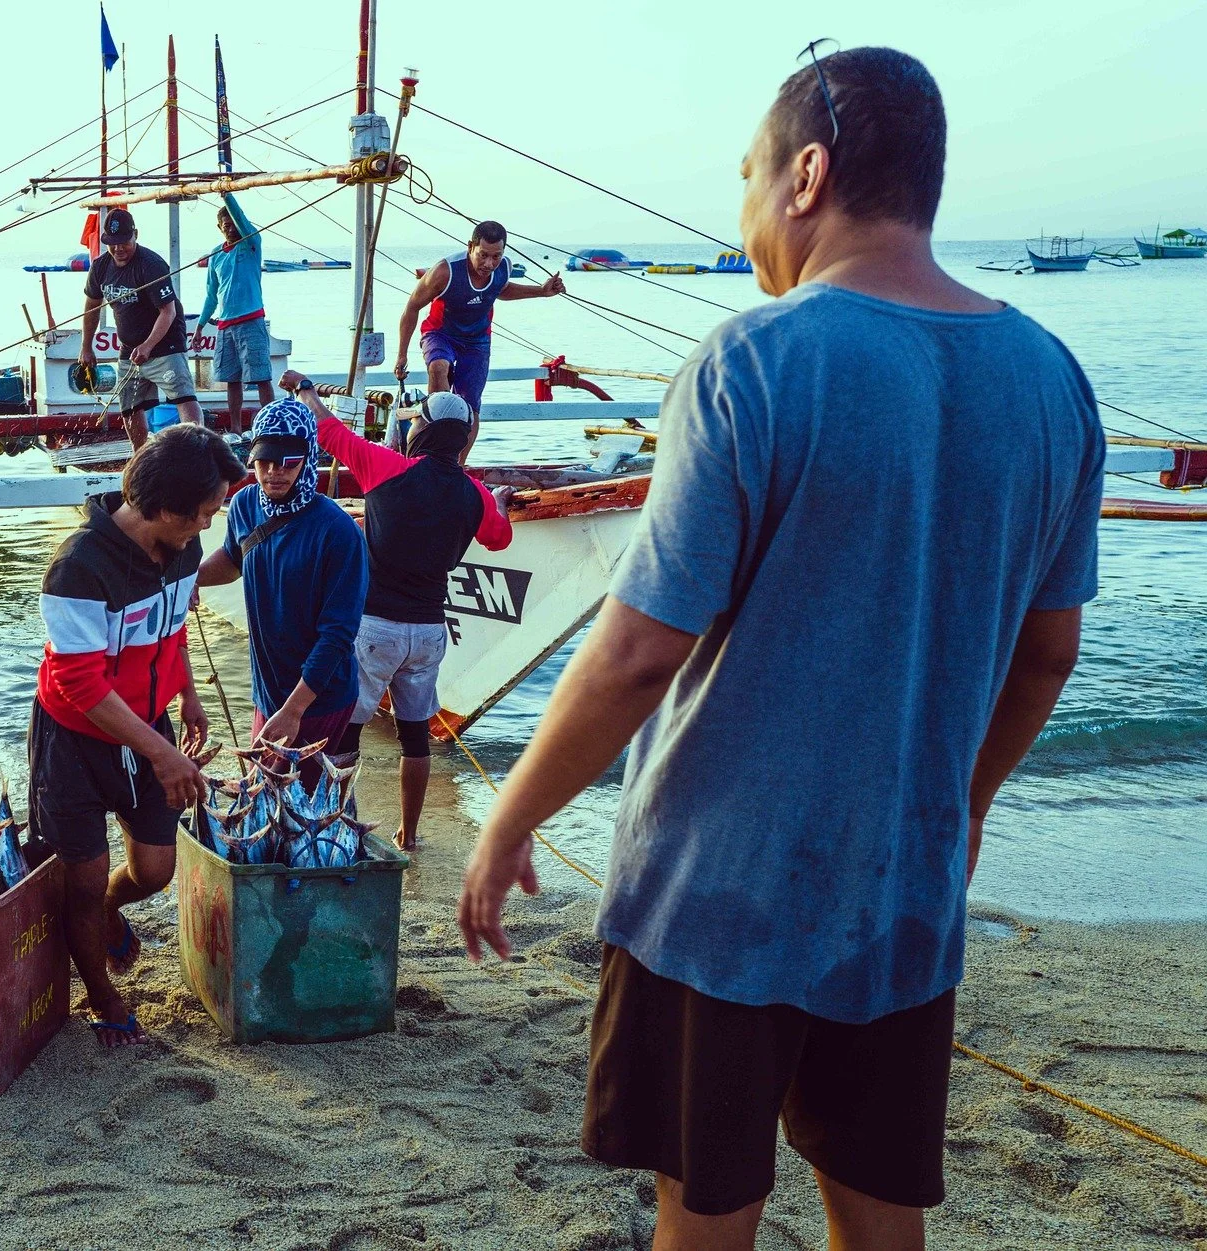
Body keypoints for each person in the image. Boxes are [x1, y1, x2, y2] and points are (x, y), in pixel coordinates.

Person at [456, 48, 1103, 1251]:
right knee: (877, 1198)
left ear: (807, 175)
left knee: (709, 1203)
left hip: (718, 896)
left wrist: (510, 818)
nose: (747, 208)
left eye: (750, 176)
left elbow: (638, 652)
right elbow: (1046, 657)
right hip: (903, 888)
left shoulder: (754, 360)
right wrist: (963, 807)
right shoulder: (1051, 381)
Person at [31, 424, 242, 1048]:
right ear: (166, 508)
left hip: (150, 729)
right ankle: (102, 994)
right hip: (73, 738)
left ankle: (105, 911)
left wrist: (189, 694)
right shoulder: (77, 568)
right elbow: (80, 684)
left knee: (153, 869)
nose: (207, 526)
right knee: (82, 878)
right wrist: (164, 755)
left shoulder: (181, 551)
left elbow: (172, 631)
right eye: (204, 513)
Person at [280, 374, 513, 850]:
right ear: (462, 437)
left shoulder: (386, 467)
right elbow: (499, 538)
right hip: (429, 632)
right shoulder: (474, 494)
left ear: (421, 429)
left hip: (374, 628)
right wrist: (500, 504)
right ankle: (408, 833)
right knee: (415, 736)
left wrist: (305, 390)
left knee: (346, 731)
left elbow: (327, 430)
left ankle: (336, 826)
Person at [198, 397, 367, 781]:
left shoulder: (338, 532)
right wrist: (189, 581)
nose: (274, 473)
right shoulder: (244, 504)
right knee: (264, 790)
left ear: (307, 458)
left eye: (288, 462)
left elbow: (338, 636)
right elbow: (233, 559)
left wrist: (295, 710)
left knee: (290, 796)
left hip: (318, 698)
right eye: (264, 461)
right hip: (268, 690)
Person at [392, 222, 564, 458]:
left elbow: (501, 290)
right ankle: (436, 451)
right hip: (440, 333)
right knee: (439, 368)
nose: (489, 264)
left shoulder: (504, 267)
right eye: (483, 255)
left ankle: (457, 466)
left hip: (477, 341)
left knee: (470, 406)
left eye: (496, 256)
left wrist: (541, 291)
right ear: (470, 247)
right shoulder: (444, 272)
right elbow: (412, 307)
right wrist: (401, 354)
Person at [76, 207, 202, 450]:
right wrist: (86, 346)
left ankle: (198, 449)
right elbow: (92, 306)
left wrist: (148, 346)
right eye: (112, 243)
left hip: (165, 341)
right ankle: (139, 454)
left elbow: (168, 311)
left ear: (135, 234)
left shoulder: (151, 265)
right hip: (130, 345)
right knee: (130, 404)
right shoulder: (100, 266)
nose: (118, 248)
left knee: (183, 395)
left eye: (124, 241)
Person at [194, 192, 273, 425]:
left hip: (251, 320)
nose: (230, 229)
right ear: (219, 227)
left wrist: (226, 195)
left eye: (234, 224)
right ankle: (236, 428)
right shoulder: (216, 255)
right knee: (231, 379)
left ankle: (270, 425)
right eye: (225, 225)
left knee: (261, 376)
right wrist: (200, 325)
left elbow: (239, 216)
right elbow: (211, 295)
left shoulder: (251, 244)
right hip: (226, 325)